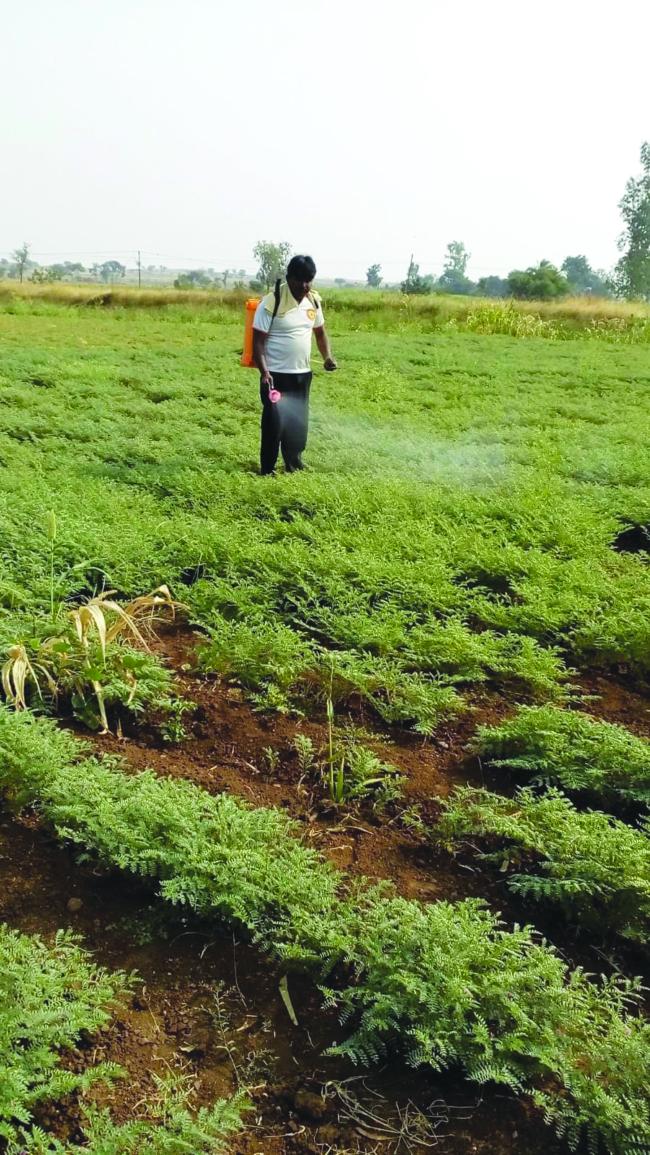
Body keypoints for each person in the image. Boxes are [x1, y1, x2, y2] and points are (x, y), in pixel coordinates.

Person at [252, 254, 337, 475]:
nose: (304, 285)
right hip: (275, 376)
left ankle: (294, 464)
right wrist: (264, 373)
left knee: (298, 425)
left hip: (302, 375)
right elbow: (258, 342)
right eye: (300, 280)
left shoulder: (314, 300)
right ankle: (267, 470)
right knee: (274, 425)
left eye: (309, 280)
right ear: (289, 277)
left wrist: (327, 356)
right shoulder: (271, 302)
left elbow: (320, 333)